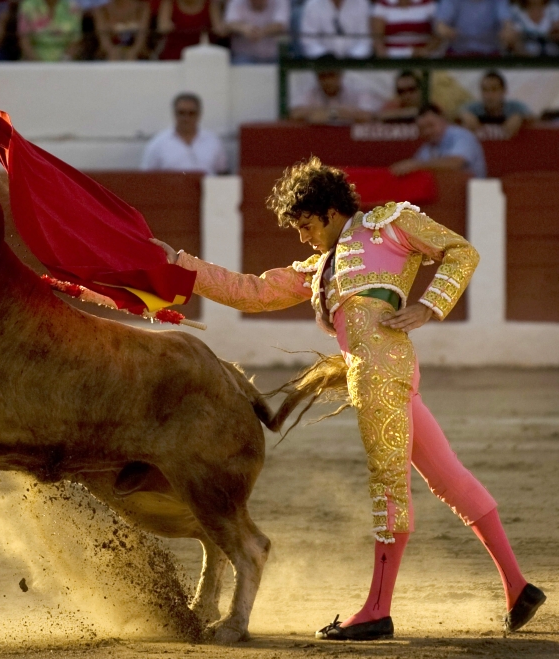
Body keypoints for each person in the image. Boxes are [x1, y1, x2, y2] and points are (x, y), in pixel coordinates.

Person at [150, 156, 547, 641]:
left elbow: (461, 251)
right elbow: (249, 291)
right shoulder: (320, 270)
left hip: (381, 371)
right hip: (375, 371)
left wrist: (428, 306)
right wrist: (177, 263)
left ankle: (377, 611)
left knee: (388, 485)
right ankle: (518, 586)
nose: (302, 236)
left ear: (331, 211)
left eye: (305, 224)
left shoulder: (390, 223)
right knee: (448, 479)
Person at [390, 103, 486, 178]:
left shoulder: (461, 135)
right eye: (422, 128)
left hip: (476, 194)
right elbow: (415, 167)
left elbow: (455, 163)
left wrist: (417, 165)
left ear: (443, 120)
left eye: (431, 125)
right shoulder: (426, 148)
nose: (427, 131)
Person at [140, 92, 227, 175]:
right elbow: (147, 177)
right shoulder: (158, 144)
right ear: (174, 113)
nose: (186, 118)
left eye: (191, 113)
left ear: (199, 114)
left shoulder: (213, 142)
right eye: (181, 113)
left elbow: (222, 173)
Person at [289, 67, 380, 124]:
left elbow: (368, 116)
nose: (327, 81)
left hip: (351, 143)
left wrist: (332, 114)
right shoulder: (311, 92)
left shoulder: (356, 89)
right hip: (319, 140)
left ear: (340, 75)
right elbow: (295, 114)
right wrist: (346, 113)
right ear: (317, 77)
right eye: (323, 76)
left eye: (331, 75)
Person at [458, 71, 532, 139]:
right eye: (485, 90)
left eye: (494, 90)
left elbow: (533, 118)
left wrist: (520, 117)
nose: (489, 95)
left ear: (504, 91)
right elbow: (454, 116)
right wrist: (463, 116)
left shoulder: (516, 107)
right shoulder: (472, 108)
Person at [220, 0, 288, 64]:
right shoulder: (236, 2)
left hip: (273, 57)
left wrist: (262, 32)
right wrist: (244, 28)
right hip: (243, 57)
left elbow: (281, 25)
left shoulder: (280, 1)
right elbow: (228, 24)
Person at [434, 0, 512, 56]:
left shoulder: (498, 1)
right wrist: (445, 30)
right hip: (458, 52)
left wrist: (507, 30)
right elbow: (440, 26)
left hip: (490, 53)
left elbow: (507, 22)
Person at [300, 0, 372, 59]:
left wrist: (351, 58)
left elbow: (365, 42)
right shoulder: (312, 4)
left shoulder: (361, 3)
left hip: (354, 66)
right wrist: (325, 57)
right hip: (321, 66)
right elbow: (308, 42)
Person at [17, 0, 84, 61]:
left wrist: (64, 61)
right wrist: (37, 64)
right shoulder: (28, 5)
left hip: (65, 61)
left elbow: (76, 39)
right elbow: (24, 40)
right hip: (33, 60)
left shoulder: (72, 6)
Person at [370, 0, 438, 58]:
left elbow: (438, 32)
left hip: (422, 57)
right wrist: (386, 56)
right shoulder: (382, 4)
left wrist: (426, 51)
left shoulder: (428, 3)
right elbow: (377, 38)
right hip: (392, 57)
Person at [156, 0, 220, 60]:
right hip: (173, 56)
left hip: (202, 55)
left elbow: (219, 29)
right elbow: (162, 27)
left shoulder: (210, 3)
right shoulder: (169, 2)